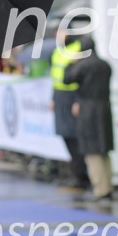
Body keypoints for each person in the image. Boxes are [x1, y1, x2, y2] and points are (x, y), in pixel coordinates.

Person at [63, 36, 114, 202]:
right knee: (103, 149)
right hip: (104, 108)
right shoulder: (105, 65)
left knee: (91, 150)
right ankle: (108, 186)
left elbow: (67, 79)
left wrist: (71, 62)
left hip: (88, 111)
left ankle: (100, 189)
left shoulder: (83, 66)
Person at [50, 29, 89, 189]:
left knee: (74, 137)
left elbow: (83, 77)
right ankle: (76, 173)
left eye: (62, 32)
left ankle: (81, 176)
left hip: (73, 96)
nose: (58, 35)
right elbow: (55, 76)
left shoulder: (78, 48)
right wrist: (53, 98)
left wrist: (78, 100)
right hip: (60, 96)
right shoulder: (58, 50)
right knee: (65, 135)